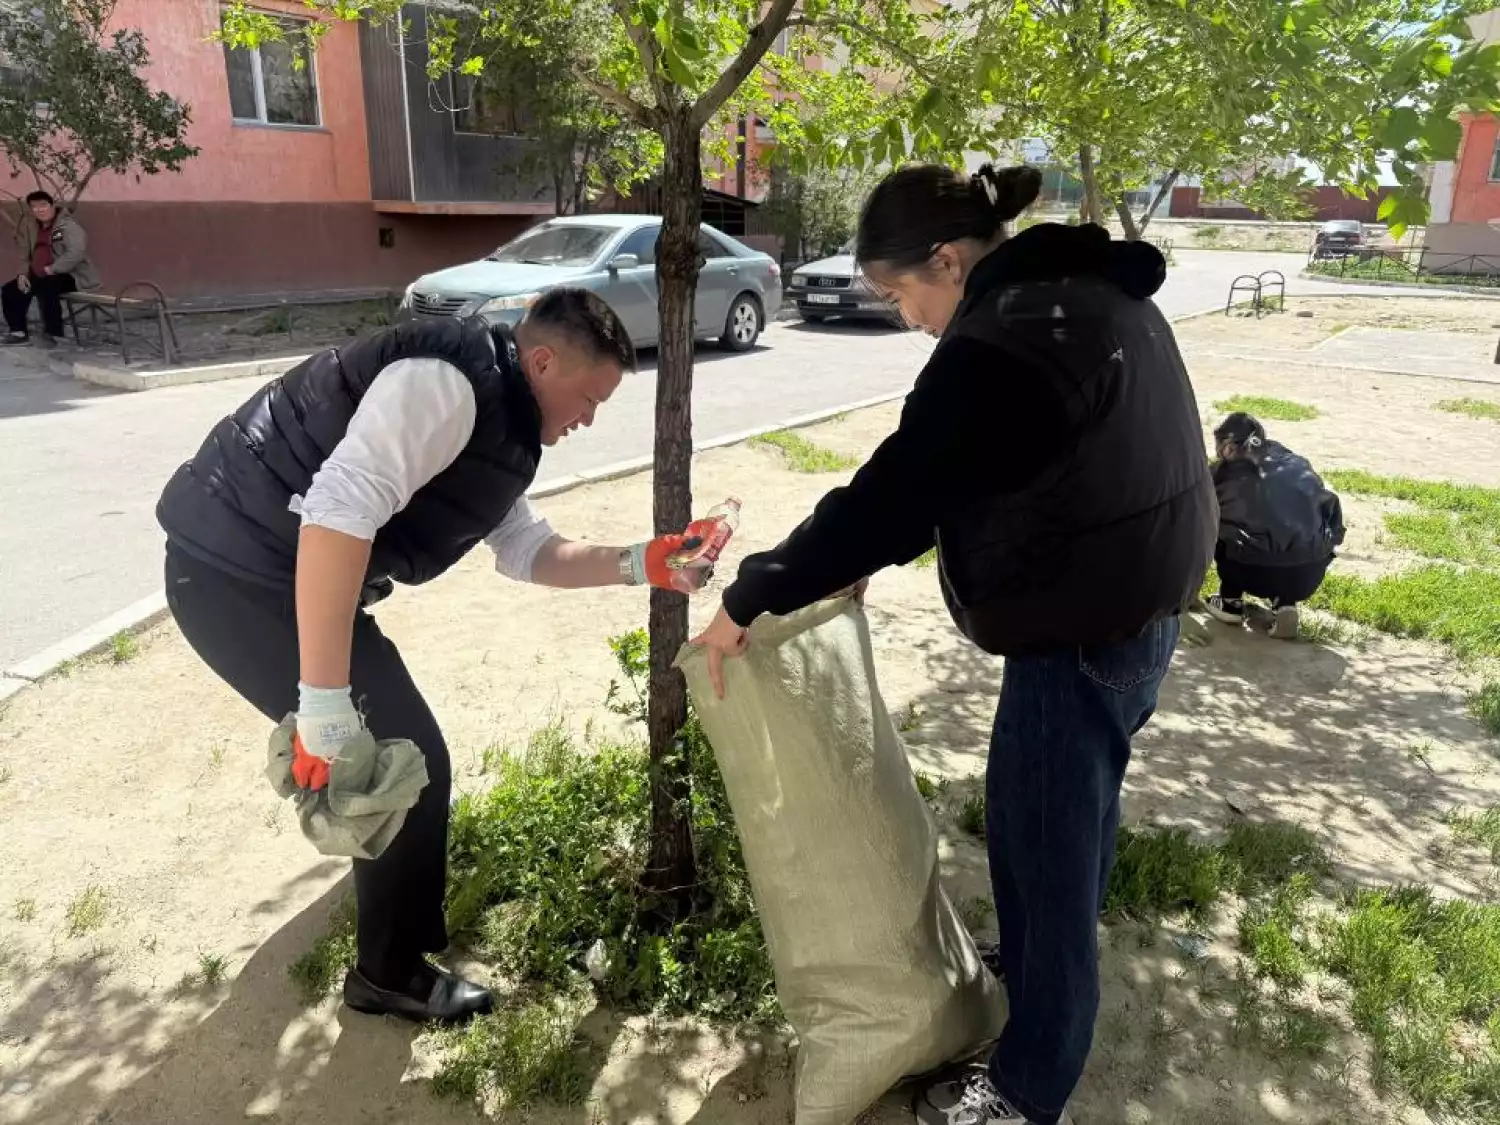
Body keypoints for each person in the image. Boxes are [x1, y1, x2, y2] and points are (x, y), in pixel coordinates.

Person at [693, 164, 1217, 1125]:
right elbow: (1004, 463)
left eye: (900, 294)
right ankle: (1036, 964)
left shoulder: (1012, 335)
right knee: (1063, 818)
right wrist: (870, 557)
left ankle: (1026, 1087)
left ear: (947, 259)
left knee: (1046, 845)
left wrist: (756, 591)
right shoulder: (1079, 293)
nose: (904, 318)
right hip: (1137, 605)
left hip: (1085, 626)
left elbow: (903, 487)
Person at [157, 289, 713, 1025]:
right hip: (233, 571)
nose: (587, 419)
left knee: (398, 748)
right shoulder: (448, 385)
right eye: (587, 397)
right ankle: (386, 974)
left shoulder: (505, 418)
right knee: (405, 755)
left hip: (279, 565)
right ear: (541, 361)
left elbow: (524, 548)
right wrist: (324, 703)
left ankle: (385, 892)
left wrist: (647, 563)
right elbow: (337, 512)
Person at [1204, 411, 1344, 639]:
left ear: (1228, 448)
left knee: (1216, 520)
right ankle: (1284, 602)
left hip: (1249, 570)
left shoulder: (1222, 473)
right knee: (1285, 529)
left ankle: (1230, 601)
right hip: (1309, 573)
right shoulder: (1296, 462)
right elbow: (1330, 512)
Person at [3, 190, 98, 346]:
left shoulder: (68, 226)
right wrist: (22, 274)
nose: (39, 210)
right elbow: (25, 253)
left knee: (46, 286)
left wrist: (53, 269)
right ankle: (18, 331)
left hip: (68, 275)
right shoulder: (31, 227)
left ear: (52, 205)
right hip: (39, 273)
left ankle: (53, 333)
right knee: (10, 289)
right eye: (34, 207)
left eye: (43, 205)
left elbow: (76, 252)